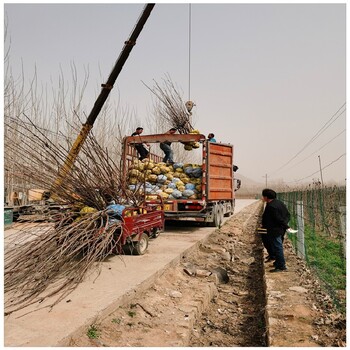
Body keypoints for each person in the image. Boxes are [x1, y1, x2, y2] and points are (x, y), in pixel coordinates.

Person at [261, 188, 293, 272]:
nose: (263, 198)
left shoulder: (271, 206)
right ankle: (277, 262)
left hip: (275, 230)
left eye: (263, 196)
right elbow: (288, 215)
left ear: (266, 197)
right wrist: (284, 226)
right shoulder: (279, 203)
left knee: (277, 247)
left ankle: (281, 266)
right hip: (280, 229)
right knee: (276, 245)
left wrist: (285, 226)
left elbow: (278, 219)